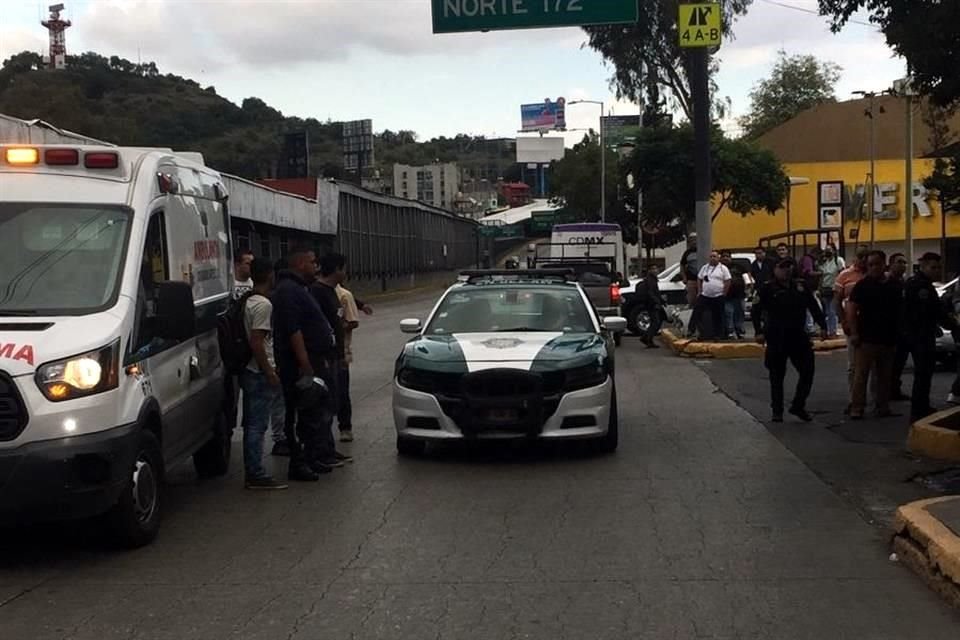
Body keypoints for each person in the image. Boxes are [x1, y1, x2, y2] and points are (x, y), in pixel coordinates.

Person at [272, 246, 338, 481]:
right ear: (300, 263)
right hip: (298, 365)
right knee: (298, 413)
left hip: (314, 359)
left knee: (314, 413)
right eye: (312, 262)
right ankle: (298, 463)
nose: (316, 266)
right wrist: (304, 363)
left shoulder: (300, 288)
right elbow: (294, 330)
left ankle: (312, 456)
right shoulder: (288, 291)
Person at [754, 259, 828, 422]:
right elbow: (756, 311)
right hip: (776, 336)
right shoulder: (767, 288)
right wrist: (758, 332)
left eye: (789, 267)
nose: (786, 271)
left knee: (808, 371)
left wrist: (823, 325)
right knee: (777, 376)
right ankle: (777, 410)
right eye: (782, 267)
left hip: (798, 336)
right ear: (775, 269)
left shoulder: (800, 286)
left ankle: (798, 405)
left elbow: (813, 307)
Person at [238, 259, 287, 490]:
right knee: (258, 425)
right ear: (270, 275)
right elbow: (257, 342)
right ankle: (255, 474)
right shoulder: (263, 305)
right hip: (258, 371)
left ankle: (253, 470)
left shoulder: (245, 300)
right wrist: (269, 371)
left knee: (252, 424)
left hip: (248, 370)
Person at [310, 252, 355, 466]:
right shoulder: (317, 293)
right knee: (324, 406)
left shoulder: (331, 292)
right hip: (324, 359)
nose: (345, 273)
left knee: (333, 402)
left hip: (335, 356)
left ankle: (329, 448)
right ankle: (321, 452)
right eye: (343, 268)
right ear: (336, 269)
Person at [846, 250, 903, 420]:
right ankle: (857, 407)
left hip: (888, 338)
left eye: (876, 264)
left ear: (884, 264)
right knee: (861, 375)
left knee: (885, 376)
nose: (873, 268)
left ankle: (882, 406)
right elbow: (851, 309)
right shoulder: (863, 286)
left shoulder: (894, 285)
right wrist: (854, 333)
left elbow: (900, 310)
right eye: (870, 265)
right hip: (866, 339)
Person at [903, 253, 960, 420]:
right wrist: (952, 324)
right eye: (933, 267)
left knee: (925, 374)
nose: (936, 271)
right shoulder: (921, 287)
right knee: (923, 374)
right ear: (924, 267)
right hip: (920, 335)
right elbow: (932, 311)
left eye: (938, 267)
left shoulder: (921, 284)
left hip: (921, 333)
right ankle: (919, 410)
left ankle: (921, 407)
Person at [834, 246, 870, 409]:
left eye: (866, 256)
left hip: (872, 326)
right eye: (861, 256)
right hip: (852, 324)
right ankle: (853, 398)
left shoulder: (873, 275)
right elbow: (837, 301)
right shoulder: (845, 275)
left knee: (875, 366)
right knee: (854, 366)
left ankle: (877, 399)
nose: (863, 260)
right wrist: (844, 321)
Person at [335, 283, 360, 441]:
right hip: (320, 353)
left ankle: (345, 427)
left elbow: (353, 321)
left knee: (341, 392)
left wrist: (335, 326)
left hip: (341, 352)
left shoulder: (344, 295)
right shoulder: (315, 291)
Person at [886, 253, 913, 402]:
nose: (903, 265)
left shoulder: (904, 283)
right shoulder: (887, 283)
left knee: (898, 364)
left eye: (905, 262)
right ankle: (886, 393)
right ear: (891, 264)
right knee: (890, 365)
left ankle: (894, 390)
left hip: (903, 330)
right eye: (899, 262)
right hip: (890, 331)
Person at [695, 251, 731, 340]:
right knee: (698, 312)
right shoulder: (704, 268)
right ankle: (700, 333)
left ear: (718, 258)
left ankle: (718, 335)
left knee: (718, 316)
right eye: (711, 256)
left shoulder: (723, 268)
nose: (712, 258)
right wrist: (699, 291)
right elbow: (699, 279)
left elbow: (727, 281)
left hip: (718, 296)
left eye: (714, 256)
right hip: (705, 295)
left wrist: (724, 293)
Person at [817, 246, 845, 337]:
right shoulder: (824, 262)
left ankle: (833, 330)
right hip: (825, 288)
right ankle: (828, 329)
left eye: (829, 250)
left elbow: (842, 273)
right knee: (827, 311)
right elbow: (822, 276)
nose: (827, 251)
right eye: (826, 250)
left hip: (834, 288)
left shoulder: (839, 260)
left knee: (832, 310)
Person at [721, 251, 746, 339]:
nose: (725, 258)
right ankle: (730, 332)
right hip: (727, 296)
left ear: (730, 257)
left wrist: (749, 289)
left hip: (739, 295)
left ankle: (740, 332)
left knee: (740, 313)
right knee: (728, 313)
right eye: (723, 256)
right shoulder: (719, 268)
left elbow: (747, 277)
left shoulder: (738, 266)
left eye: (727, 256)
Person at [681, 234, 699, 334]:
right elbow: (682, 265)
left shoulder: (704, 249)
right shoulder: (687, 253)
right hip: (692, 280)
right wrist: (684, 277)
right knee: (692, 302)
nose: (694, 242)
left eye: (695, 240)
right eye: (692, 240)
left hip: (704, 281)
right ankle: (692, 326)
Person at [641, 264, 662, 349]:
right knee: (655, 322)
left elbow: (656, 292)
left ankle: (648, 339)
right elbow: (651, 293)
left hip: (652, 303)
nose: (655, 270)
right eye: (653, 268)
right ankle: (646, 338)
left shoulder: (653, 279)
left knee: (655, 321)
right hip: (651, 304)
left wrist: (661, 300)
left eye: (656, 268)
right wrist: (656, 301)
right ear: (649, 270)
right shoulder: (650, 280)